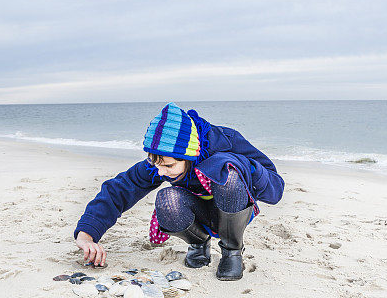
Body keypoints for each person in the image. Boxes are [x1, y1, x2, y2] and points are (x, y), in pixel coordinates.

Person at [73, 102, 285, 281]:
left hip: (233, 208)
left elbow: (276, 188)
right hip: (196, 213)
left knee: (226, 171)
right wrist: (87, 235)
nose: (161, 172)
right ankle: (198, 243)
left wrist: (245, 167)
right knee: (167, 198)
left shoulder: (225, 141)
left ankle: (232, 251)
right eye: (157, 165)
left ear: (190, 155)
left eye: (169, 166)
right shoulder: (161, 160)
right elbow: (119, 189)